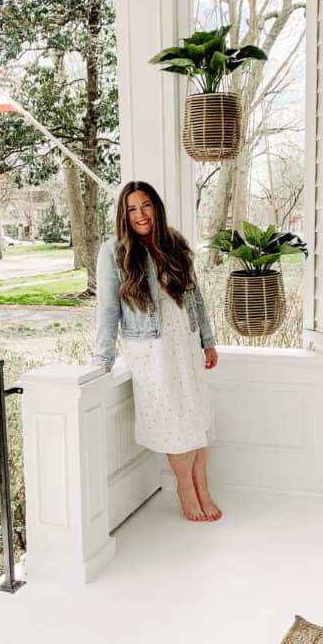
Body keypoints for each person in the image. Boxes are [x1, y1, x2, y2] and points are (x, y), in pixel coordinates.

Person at [93, 180, 221, 522]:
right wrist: (102, 358)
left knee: (193, 416)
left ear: (156, 207)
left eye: (145, 205)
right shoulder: (113, 252)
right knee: (174, 420)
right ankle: (185, 489)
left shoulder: (174, 242)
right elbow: (107, 309)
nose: (140, 214)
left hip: (185, 341)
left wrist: (207, 340)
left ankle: (203, 489)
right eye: (132, 208)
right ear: (124, 213)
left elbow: (195, 296)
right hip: (151, 348)